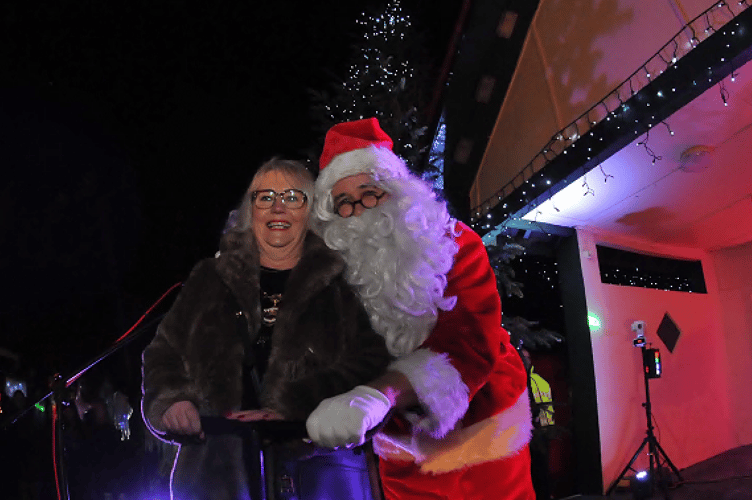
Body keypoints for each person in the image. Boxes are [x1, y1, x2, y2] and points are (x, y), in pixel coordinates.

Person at [305, 118, 535, 499]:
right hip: (401, 445)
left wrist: (381, 394)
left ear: (395, 191)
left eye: (369, 193)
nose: (358, 211)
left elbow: (468, 342)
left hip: (482, 423)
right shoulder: (334, 276)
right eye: (343, 203)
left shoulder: (454, 242)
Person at [141, 158, 392, 500]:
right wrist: (172, 401)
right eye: (265, 196)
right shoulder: (209, 279)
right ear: (251, 209)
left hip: (315, 473)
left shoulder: (339, 284)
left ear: (311, 212)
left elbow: (371, 364)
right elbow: (164, 353)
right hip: (217, 472)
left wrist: (297, 404)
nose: (277, 206)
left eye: (292, 197)